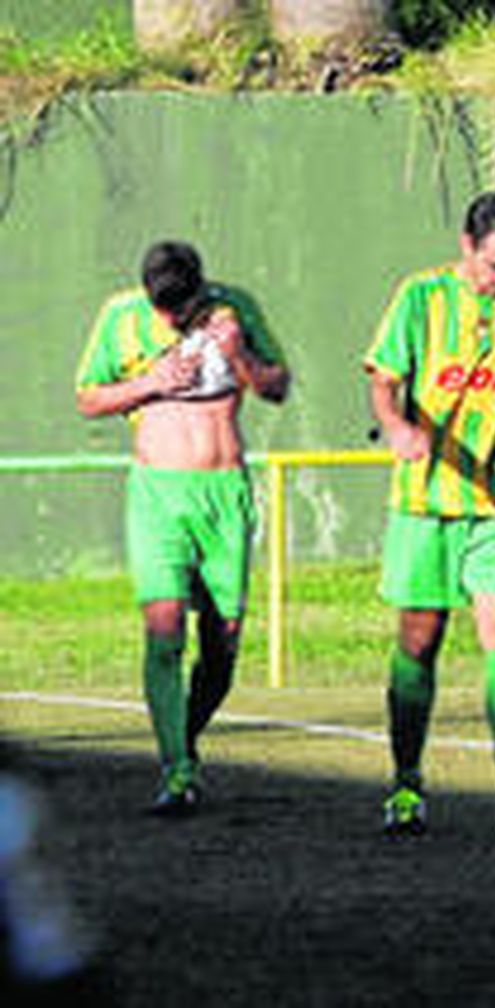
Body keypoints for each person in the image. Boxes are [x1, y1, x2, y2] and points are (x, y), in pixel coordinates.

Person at [364, 190, 495, 839]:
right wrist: (398, 426)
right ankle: (405, 783)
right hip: (427, 504)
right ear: (467, 246)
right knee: (419, 642)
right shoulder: (421, 298)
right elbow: (383, 380)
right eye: (493, 266)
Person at [74, 241, 291, 815]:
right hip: (158, 494)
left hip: (224, 492)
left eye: (181, 305)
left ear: (200, 285)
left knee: (223, 643)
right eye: (162, 308)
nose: (172, 317)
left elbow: (277, 387)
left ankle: (183, 738)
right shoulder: (121, 317)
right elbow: (89, 398)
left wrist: (240, 356)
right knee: (164, 627)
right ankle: (177, 768)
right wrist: (151, 381)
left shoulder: (233, 309)